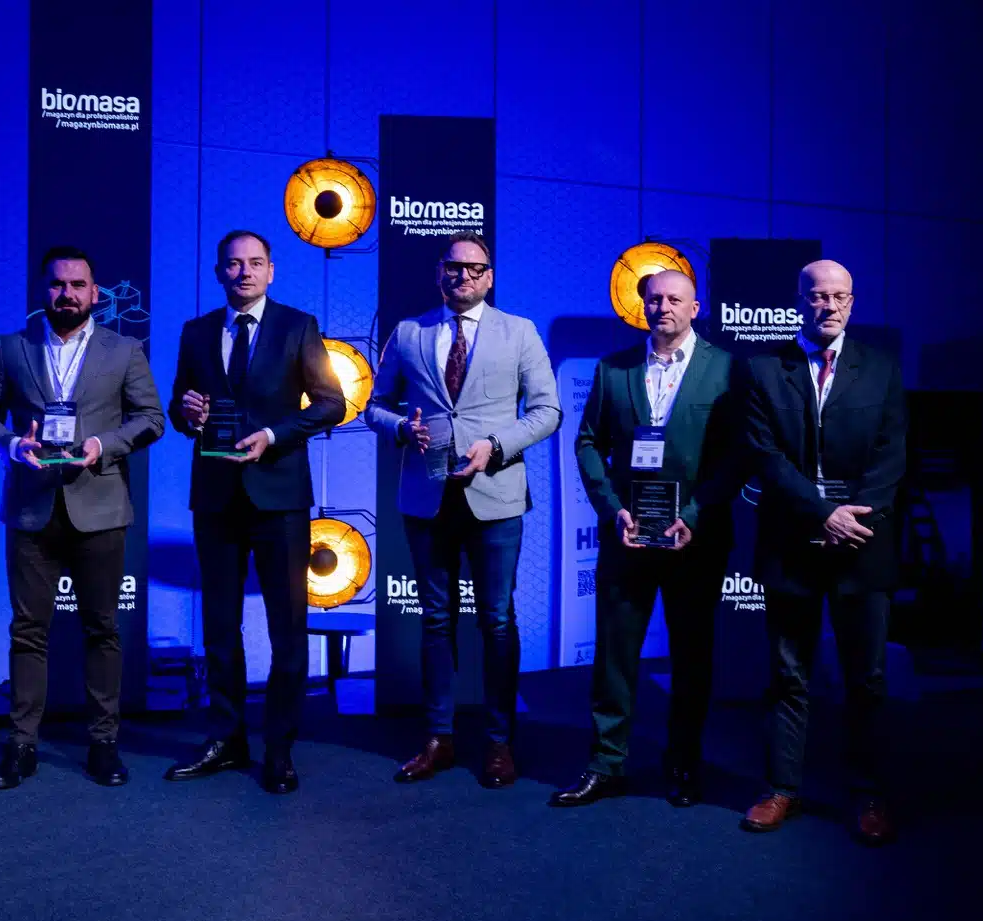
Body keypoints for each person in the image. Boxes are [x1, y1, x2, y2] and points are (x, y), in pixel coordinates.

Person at [364, 231, 561, 788]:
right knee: (435, 619)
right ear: (439, 273)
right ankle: (438, 738)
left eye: (475, 269)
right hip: (426, 496)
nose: (464, 277)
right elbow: (374, 407)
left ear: (489, 277)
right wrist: (402, 428)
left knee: (496, 620)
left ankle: (499, 742)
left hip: (495, 493)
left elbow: (547, 411)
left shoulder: (519, 332)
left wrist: (496, 445)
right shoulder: (409, 332)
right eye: (454, 267)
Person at [0, 245, 165, 789]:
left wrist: (104, 445)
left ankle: (103, 743)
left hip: (99, 508)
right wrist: (13, 445)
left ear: (95, 293)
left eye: (78, 285)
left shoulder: (124, 350)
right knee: (28, 631)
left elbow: (152, 418)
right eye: (58, 284)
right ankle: (21, 745)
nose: (68, 294)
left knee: (102, 629)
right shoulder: (11, 348)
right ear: (43, 290)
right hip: (31, 508)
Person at [550, 270, 743, 808]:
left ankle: (682, 763)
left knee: (691, 657)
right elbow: (588, 443)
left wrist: (695, 515)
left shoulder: (728, 369)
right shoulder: (614, 369)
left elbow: (738, 455)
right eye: (654, 299)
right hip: (627, 536)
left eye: (674, 299)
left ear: (695, 307)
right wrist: (611, 508)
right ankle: (605, 764)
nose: (663, 307)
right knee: (614, 655)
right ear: (643, 306)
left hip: (695, 539)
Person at [163, 230, 343, 794]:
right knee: (220, 626)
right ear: (219, 272)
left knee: (287, 628)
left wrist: (274, 434)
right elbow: (179, 408)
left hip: (279, 497)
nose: (244, 272)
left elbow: (333, 404)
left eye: (255, 263)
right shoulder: (196, 332)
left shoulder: (297, 326)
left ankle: (279, 748)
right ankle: (226, 738)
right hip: (215, 496)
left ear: (271, 271)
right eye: (234, 264)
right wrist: (188, 412)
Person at [740, 259, 906, 844]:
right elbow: (764, 455)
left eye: (839, 296)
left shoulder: (882, 368)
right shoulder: (764, 369)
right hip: (793, 544)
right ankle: (782, 788)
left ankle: (868, 793)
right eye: (817, 295)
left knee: (868, 678)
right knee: (788, 675)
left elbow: (891, 455)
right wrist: (821, 513)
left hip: (863, 543)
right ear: (799, 301)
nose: (828, 305)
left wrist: (851, 517)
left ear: (852, 303)